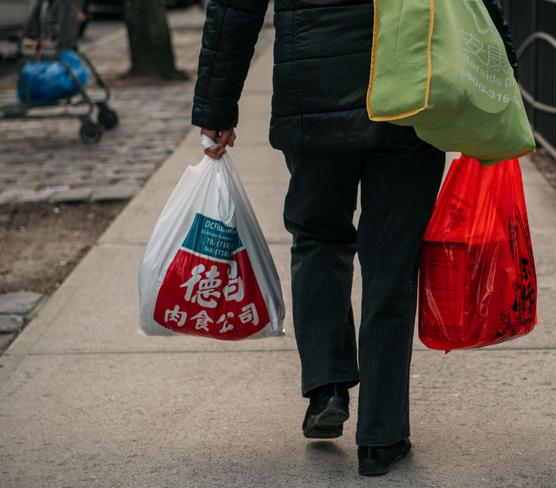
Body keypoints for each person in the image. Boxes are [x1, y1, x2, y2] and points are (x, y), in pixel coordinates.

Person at [193, 0, 518, 477]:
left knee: (318, 237)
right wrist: (504, 71)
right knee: (392, 263)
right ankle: (382, 436)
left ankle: (327, 387)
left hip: (313, 91)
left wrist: (216, 106)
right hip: (410, 89)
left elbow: (234, 7)